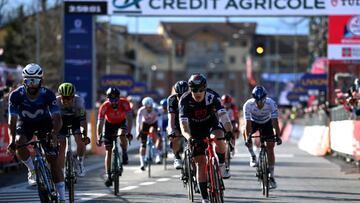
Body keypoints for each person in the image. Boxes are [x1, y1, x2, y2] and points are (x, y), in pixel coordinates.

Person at [7, 64, 66, 202]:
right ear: (23, 81)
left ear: (41, 81)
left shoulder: (48, 94)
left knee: (53, 161)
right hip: (25, 124)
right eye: (28, 81)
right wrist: (11, 140)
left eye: (35, 81)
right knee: (18, 142)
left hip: (44, 124)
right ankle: (32, 170)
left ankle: (63, 197)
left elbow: (57, 119)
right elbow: (12, 120)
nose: (32, 85)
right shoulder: (15, 95)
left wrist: (54, 134)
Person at [179, 74, 233, 203]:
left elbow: (224, 116)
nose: (198, 93)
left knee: (219, 137)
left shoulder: (212, 96)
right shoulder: (185, 100)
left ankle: (221, 163)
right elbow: (184, 126)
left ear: (205, 88)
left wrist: (229, 131)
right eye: (194, 90)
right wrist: (189, 138)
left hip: (211, 125)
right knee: (200, 163)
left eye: (201, 90)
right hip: (194, 130)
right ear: (190, 90)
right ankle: (204, 198)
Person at [243, 85, 282, 189]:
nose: (259, 104)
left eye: (262, 101)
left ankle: (272, 176)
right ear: (253, 99)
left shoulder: (271, 103)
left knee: (270, 146)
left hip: (267, 123)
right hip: (254, 122)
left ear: (265, 98)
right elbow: (248, 124)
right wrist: (248, 138)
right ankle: (252, 155)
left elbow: (275, 123)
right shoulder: (248, 105)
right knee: (244, 131)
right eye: (257, 101)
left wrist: (277, 136)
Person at [96, 87, 133, 187]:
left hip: (121, 123)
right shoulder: (104, 106)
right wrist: (98, 136)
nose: (114, 102)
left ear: (119, 98)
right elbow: (100, 123)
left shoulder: (124, 103)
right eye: (111, 100)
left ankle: (124, 152)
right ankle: (108, 175)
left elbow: (130, 118)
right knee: (108, 151)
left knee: (121, 134)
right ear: (108, 99)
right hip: (109, 125)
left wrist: (129, 132)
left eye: (116, 99)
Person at [57, 82, 90, 177]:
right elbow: (53, 121)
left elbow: (83, 121)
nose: (66, 101)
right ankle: (62, 171)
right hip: (62, 122)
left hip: (75, 120)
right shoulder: (56, 103)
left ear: (73, 97)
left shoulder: (79, 102)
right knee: (61, 145)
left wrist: (85, 135)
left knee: (80, 140)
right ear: (60, 97)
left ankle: (80, 162)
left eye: (69, 98)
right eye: (64, 98)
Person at [167, 80, 188, 169]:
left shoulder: (191, 98)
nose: (181, 97)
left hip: (189, 122)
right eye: (179, 95)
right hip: (176, 122)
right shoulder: (171, 99)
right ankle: (177, 156)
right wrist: (171, 131)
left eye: (184, 95)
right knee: (174, 136)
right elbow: (171, 117)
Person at [136, 97, 161, 170]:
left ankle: (157, 155)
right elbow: (138, 122)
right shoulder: (141, 110)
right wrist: (138, 132)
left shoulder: (156, 109)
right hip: (145, 125)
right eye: (147, 107)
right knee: (143, 145)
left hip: (154, 124)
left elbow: (159, 119)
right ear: (144, 106)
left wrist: (159, 128)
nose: (149, 109)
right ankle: (142, 163)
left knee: (156, 135)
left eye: (150, 107)